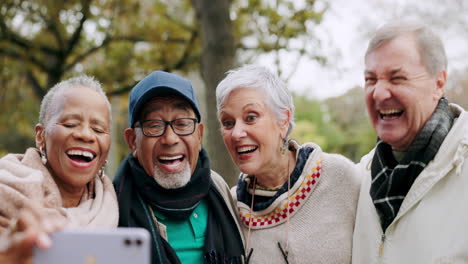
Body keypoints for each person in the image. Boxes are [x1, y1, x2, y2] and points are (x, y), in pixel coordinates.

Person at [215, 65, 360, 264]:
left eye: (251, 118)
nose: (236, 133)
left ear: (284, 121)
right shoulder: (230, 208)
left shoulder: (340, 177)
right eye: (228, 123)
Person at [352, 20, 468, 263]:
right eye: (370, 80)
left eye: (397, 78)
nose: (379, 93)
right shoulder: (357, 179)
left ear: (438, 83)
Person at [113, 70, 244, 264]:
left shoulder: (219, 190)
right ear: (132, 141)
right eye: (154, 125)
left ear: (199, 135)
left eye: (182, 124)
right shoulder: (111, 206)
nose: (170, 139)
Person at [0, 76, 118, 263]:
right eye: (70, 124)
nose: (86, 135)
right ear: (40, 136)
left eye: (98, 129)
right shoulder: (4, 189)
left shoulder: (114, 210)